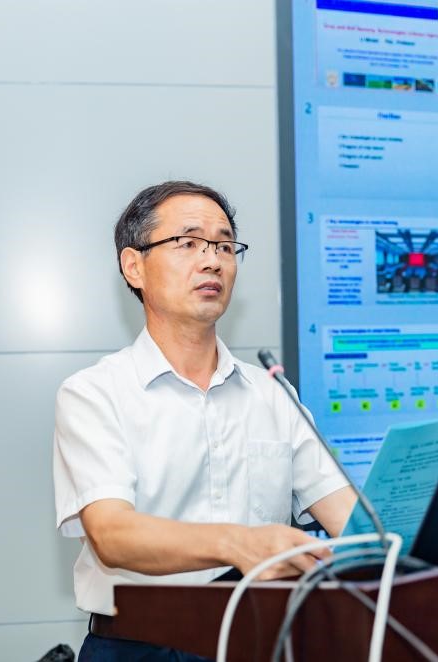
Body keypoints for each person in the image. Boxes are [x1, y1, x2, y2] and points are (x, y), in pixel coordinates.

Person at [53, 181, 356, 660]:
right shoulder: (94, 393)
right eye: (188, 242)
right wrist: (237, 544)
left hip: (262, 641)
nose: (212, 260)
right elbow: (113, 535)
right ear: (134, 266)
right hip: (141, 648)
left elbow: (353, 523)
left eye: (224, 246)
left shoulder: (272, 394)